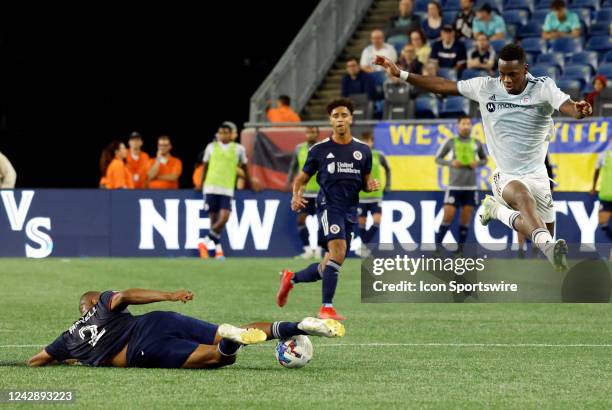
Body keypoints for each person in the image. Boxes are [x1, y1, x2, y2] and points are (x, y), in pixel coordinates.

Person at [374, 43, 593, 271]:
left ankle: (497, 211)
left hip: (538, 174)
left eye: (512, 74)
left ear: (525, 69)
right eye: (502, 74)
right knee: (524, 200)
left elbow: (569, 106)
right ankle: (548, 246)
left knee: (541, 237)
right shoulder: (484, 87)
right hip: (506, 175)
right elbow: (442, 85)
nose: (506, 80)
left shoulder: (543, 87)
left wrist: (579, 110)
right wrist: (401, 73)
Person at [28, 288, 345, 369]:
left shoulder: (67, 339)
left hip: (142, 349)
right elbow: (125, 295)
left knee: (217, 358)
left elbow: (37, 360)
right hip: (157, 320)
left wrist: (69, 357)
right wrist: (169, 295)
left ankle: (233, 343)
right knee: (228, 331)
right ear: (95, 301)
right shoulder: (104, 304)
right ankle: (297, 325)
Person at [276, 98, 380, 320]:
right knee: (338, 252)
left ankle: (290, 278)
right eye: (335, 116)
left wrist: (369, 186)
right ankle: (326, 308)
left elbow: (365, 181)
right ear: (330, 121)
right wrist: (296, 196)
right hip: (328, 205)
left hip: (351, 209)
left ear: (351, 118)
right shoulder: (320, 149)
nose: (340, 119)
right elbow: (301, 178)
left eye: (344, 115)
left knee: (332, 263)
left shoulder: (363, 150)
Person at [199, 123, 255, 260]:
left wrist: (251, 182)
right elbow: (205, 167)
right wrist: (201, 183)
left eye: (225, 133)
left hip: (227, 189)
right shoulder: (211, 147)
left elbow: (245, 168)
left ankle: (204, 242)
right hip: (211, 187)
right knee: (213, 221)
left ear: (231, 134)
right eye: (220, 133)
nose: (222, 135)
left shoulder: (238, 149)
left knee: (224, 217)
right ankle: (218, 252)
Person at [434, 116, 487, 253]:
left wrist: (478, 163)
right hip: (454, 187)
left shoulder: (476, 143)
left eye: (469, 123)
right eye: (463, 123)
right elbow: (438, 159)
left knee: (465, 219)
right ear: (458, 126)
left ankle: (460, 250)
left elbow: (484, 160)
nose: (466, 126)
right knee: (448, 216)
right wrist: (450, 162)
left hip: (470, 187)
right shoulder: (451, 142)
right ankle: (437, 247)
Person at [287, 126, 323, 259]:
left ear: (317, 134)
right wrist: (289, 181)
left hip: (320, 191)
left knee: (322, 221)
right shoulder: (299, 148)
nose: (310, 134)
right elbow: (293, 166)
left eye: (313, 132)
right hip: (305, 191)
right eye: (308, 132)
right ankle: (308, 249)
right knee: (301, 220)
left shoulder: (323, 148)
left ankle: (319, 249)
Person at [356, 132, 391, 255]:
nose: (366, 144)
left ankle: (363, 245)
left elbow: (388, 168)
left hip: (376, 195)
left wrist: (388, 185)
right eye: (364, 141)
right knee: (362, 222)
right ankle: (364, 248)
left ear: (372, 142)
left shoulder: (378, 155)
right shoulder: (356, 156)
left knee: (377, 220)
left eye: (368, 141)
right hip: (361, 195)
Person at [591, 143, 612, 243]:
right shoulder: (603, 155)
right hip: (606, 196)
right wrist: (593, 187)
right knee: (603, 224)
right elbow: (596, 171)